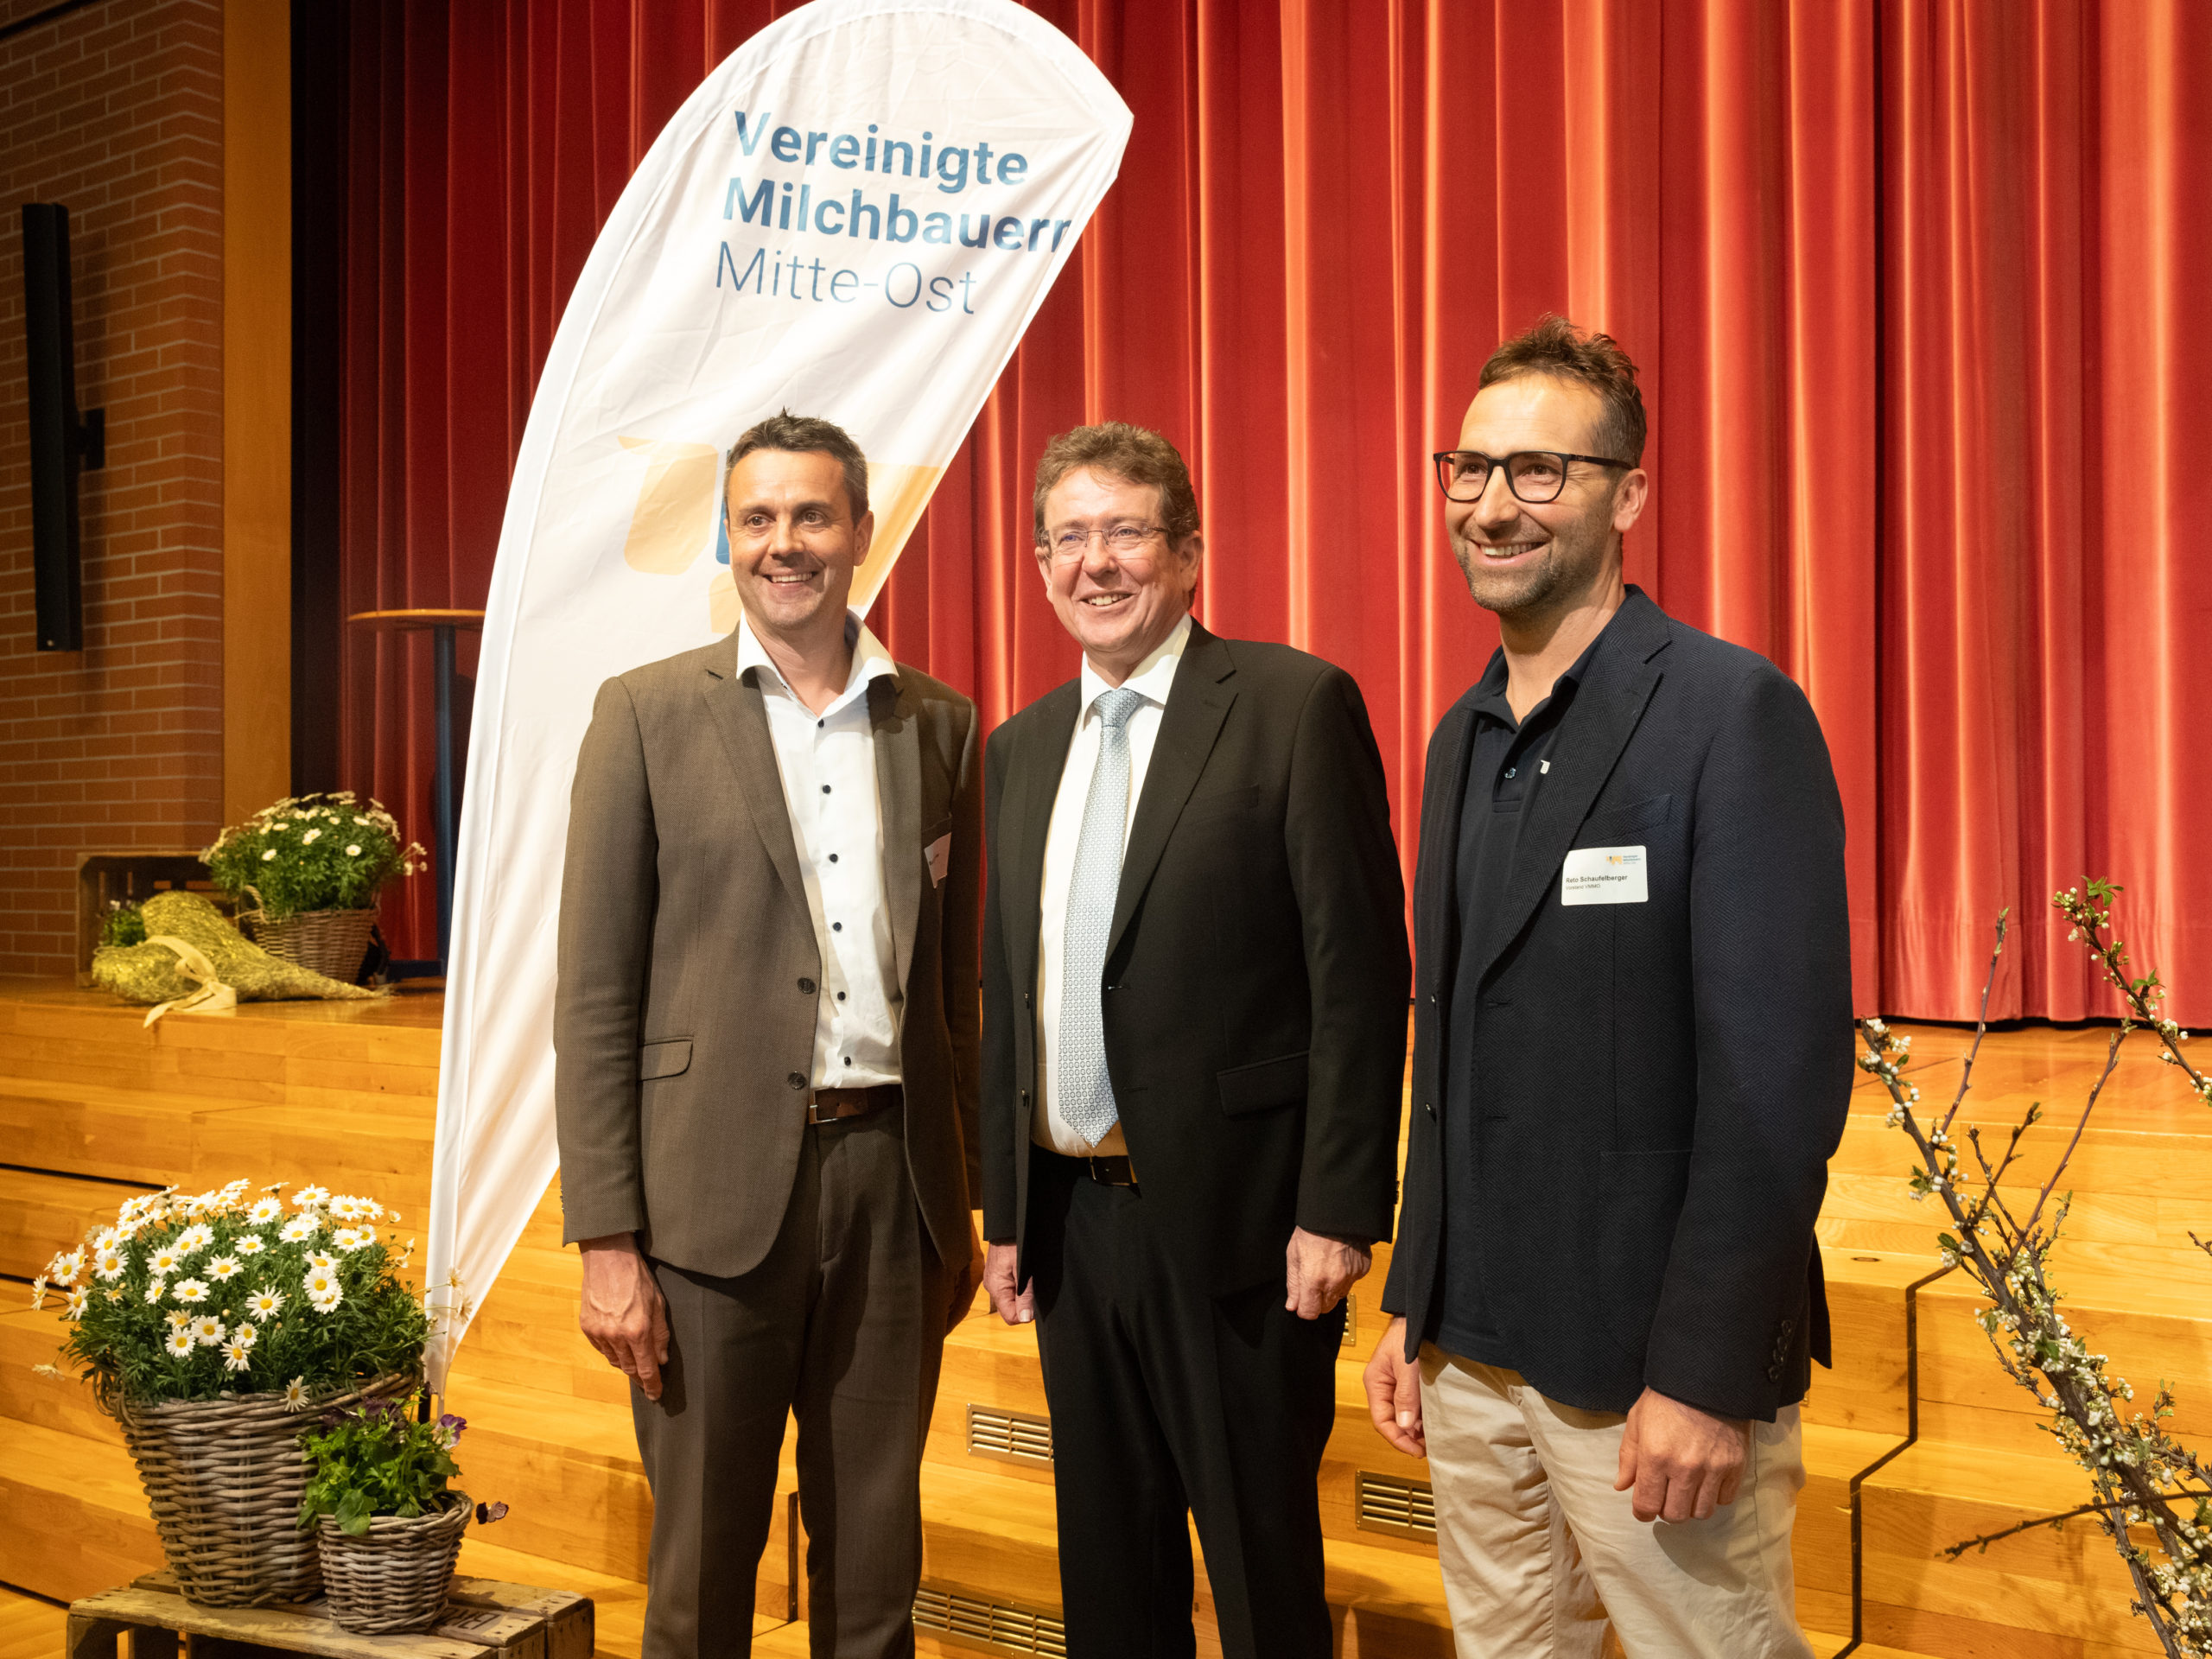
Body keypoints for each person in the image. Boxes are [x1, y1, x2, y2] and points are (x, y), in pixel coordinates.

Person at [1363, 316, 1853, 1657]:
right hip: (1471, 1359)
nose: (1491, 505)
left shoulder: (1729, 714)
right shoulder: (1459, 739)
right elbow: (1448, 1047)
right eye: (1470, 469)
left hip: (1647, 1375)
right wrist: (1417, 1299)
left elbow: (1774, 1088)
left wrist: (1705, 1372)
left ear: (1628, 495)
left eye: (1540, 472)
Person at [554, 411, 985, 1659]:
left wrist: (964, 1200)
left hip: (893, 1191)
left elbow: (954, 991)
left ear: (861, 531)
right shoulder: (643, 714)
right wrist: (607, 1241)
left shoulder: (938, 722)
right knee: (701, 1579)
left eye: (810, 515)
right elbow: (594, 997)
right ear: (728, 538)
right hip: (705, 1206)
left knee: (876, 1577)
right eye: (756, 518)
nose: (782, 542)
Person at [977, 422, 1410, 1659]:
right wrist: (1006, 1211)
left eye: (1126, 532)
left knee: (1262, 1582)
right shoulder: (1019, 749)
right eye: (1069, 538)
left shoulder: (1291, 705)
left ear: (1189, 554)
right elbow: (1010, 992)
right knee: (1110, 1584)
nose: (1096, 563)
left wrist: (1337, 1209)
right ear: (1041, 566)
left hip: (1242, 1232)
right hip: (1071, 1230)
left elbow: (1359, 978)